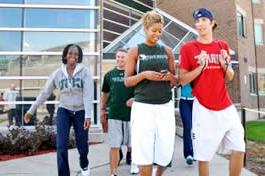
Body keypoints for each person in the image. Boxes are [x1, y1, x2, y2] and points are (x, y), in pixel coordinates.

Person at [178, 8, 245, 176]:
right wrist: (201, 66)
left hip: (225, 105)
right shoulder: (188, 48)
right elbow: (182, 79)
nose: (199, 24)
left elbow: (229, 76)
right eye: (197, 21)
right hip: (203, 107)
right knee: (204, 156)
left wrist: (225, 64)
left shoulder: (222, 46)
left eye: (203, 20)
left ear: (212, 23)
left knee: (239, 147)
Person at [24, 44, 93, 176]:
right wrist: (31, 110)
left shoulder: (85, 72)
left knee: (82, 145)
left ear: (79, 57)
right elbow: (45, 93)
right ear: (65, 55)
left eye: (76, 54)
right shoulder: (57, 74)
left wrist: (88, 115)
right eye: (70, 53)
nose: (73, 56)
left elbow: (88, 94)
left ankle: (84, 163)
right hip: (64, 111)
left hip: (81, 112)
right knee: (61, 145)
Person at [125, 11, 177, 176]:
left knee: (166, 150)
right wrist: (144, 75)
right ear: (145, 29)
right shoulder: (135, 51)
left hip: (165, 106)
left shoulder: (167, 51)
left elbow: (175, 81)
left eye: (160, 31)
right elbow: (127, 81)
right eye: (154, 30)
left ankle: (158, 174)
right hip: (143, 108)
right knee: (143, 151)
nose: (157, 34)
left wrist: (170, 77)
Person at [101, 48, 138, 176]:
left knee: (133, 142)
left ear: (127, 59)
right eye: (118, 57)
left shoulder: (134, 73)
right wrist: (102, 109)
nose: (120, 59)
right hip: (114, 114)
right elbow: (105, 93)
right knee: (114, 144)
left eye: (123, 57)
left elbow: (142, 90)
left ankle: (134, 164)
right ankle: (113, 172)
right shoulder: (109, 75)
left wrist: (135, 99)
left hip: (131, 114)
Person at [179, 83, 194, 165]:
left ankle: (197, 152)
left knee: (197, 128)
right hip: (184, 101)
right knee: (187, 127)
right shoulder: (182, 70)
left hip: (197, 101)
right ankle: (189, 154)